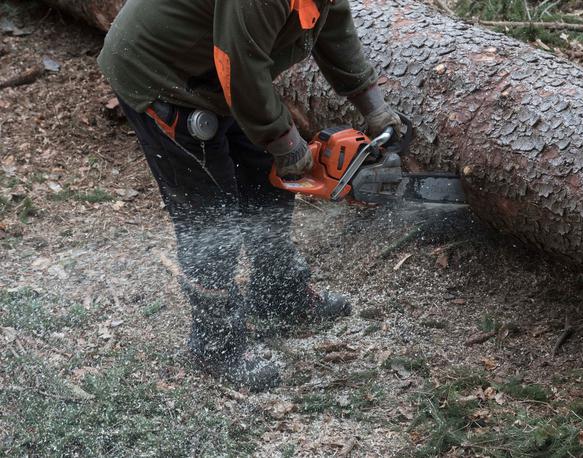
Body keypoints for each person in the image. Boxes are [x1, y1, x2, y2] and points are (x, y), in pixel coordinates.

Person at [98, 0, 402, 391]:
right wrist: (284, 139)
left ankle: (279, 293)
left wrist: (373, 106)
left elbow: (334, 27)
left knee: (266, 179)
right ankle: (215, 342)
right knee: (210, 214)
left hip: (213, 71)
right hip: (161, 73)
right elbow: (240, 71)